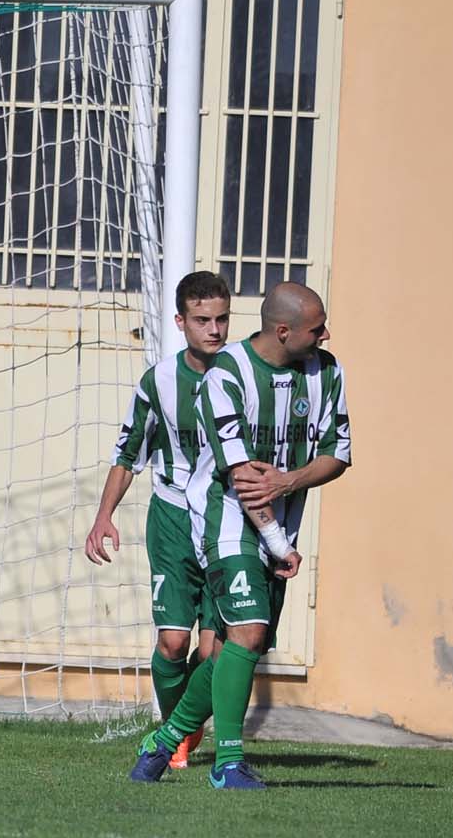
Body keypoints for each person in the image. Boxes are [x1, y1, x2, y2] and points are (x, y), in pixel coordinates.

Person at [130, 281, 350, 788]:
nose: (325, 335)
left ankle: (165, 739)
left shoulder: (328, 371)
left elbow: (337, 453)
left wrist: (289, 481)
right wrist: (278, 543)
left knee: (236, 648)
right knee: (244, 632)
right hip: (226, 517)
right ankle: (228, 765)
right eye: (317, 329)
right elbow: (245, 478)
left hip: (281, 519)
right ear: (283, 331)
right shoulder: (226, 374)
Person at [85, 270, 234, 768]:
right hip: (172, 519)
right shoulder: (160, 381)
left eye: (221, 319)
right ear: (180, 322)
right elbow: (128, 453)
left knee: (215, 654)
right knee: (173, 643)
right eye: (202, 320)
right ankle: (180, 733)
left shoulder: (242, 376)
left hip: (227, 520)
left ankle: (182, 727)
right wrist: (103, 516)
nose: (214, 329)